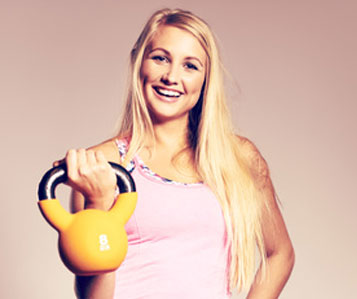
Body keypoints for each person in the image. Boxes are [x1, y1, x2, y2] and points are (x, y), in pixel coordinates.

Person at [53, 8, 294, 299]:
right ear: (138, 63)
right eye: (160, 58)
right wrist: (98, 202)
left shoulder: (239, 158)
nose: (171, 76)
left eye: (190, 66)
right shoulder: (102, 167)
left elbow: (280, 254)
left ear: (206, 80)